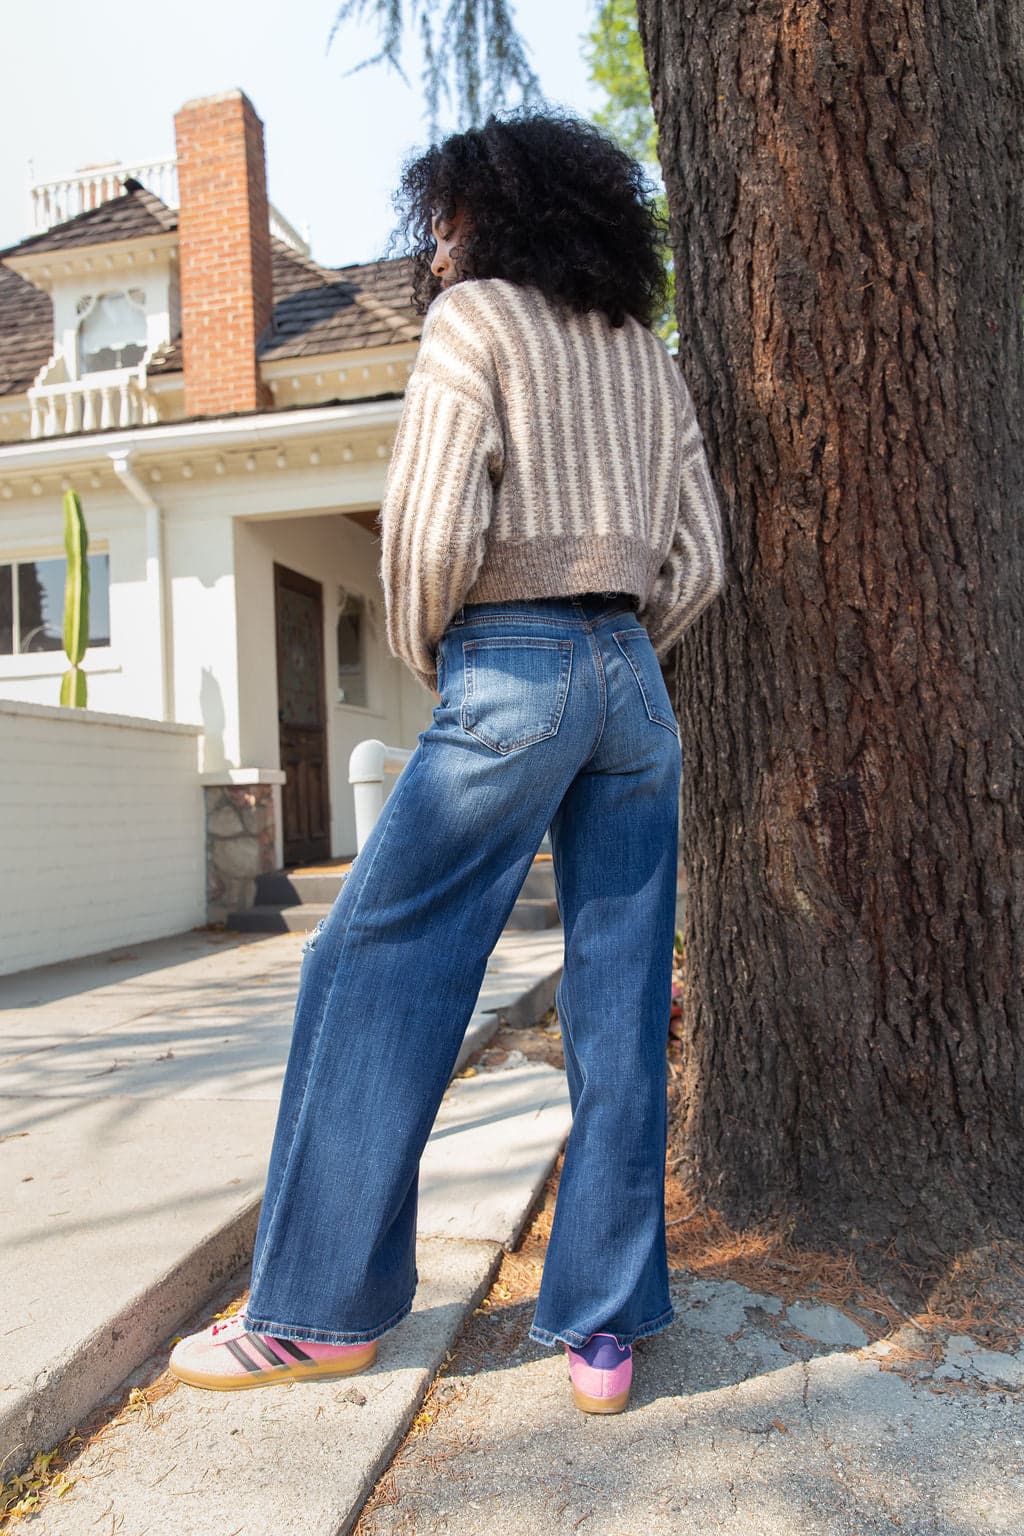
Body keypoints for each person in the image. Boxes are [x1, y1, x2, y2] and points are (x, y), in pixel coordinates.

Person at [169, 107, 725, 1415]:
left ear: (492, 216)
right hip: (634, 683)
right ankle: (604, 1330)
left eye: (442, 225)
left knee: (373, 963)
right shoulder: (643, 353)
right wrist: (623, 658)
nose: (431, 254)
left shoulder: (476, 326)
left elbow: (428, 518)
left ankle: (318, 1311)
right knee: (621, 996)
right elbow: (699, 552)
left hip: (510, 662)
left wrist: (445, 651)